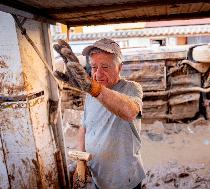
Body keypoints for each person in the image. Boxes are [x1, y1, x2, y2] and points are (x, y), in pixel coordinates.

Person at [56, 38, 145, 189]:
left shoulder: (131, 88)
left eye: (105, 66)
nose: (98, 73)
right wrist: (81, 161)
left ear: (120, 67)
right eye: (94, 66)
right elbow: (84, 128)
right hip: (99, 176)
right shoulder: (91, 94)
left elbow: (130, 112)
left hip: (125, 179)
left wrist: (94, 88)